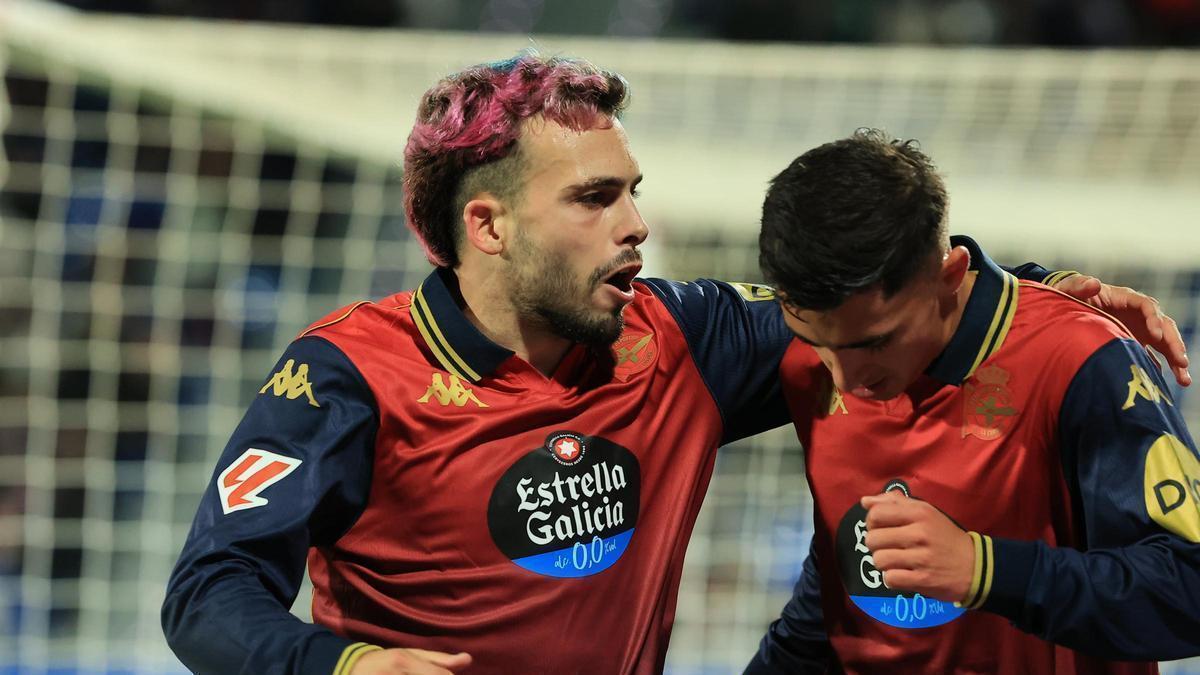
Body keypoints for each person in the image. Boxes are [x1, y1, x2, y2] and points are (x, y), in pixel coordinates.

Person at [160, 54, 1189, 675]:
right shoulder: (347, 375)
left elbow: (893, 306)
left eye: (630, 189)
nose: (639, 224)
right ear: (486, 223)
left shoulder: (681, 338)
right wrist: (342, 665)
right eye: (593, 199)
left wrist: (1050, 293)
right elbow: (209, 592)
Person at [747, 129, 1200, 674]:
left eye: (875, 342)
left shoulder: (1081, 359)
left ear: (951, 275)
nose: (844, 381)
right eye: (817, 343)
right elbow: (837, 592)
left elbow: (1189, 585)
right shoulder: (808, 357)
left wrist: (985, 569)